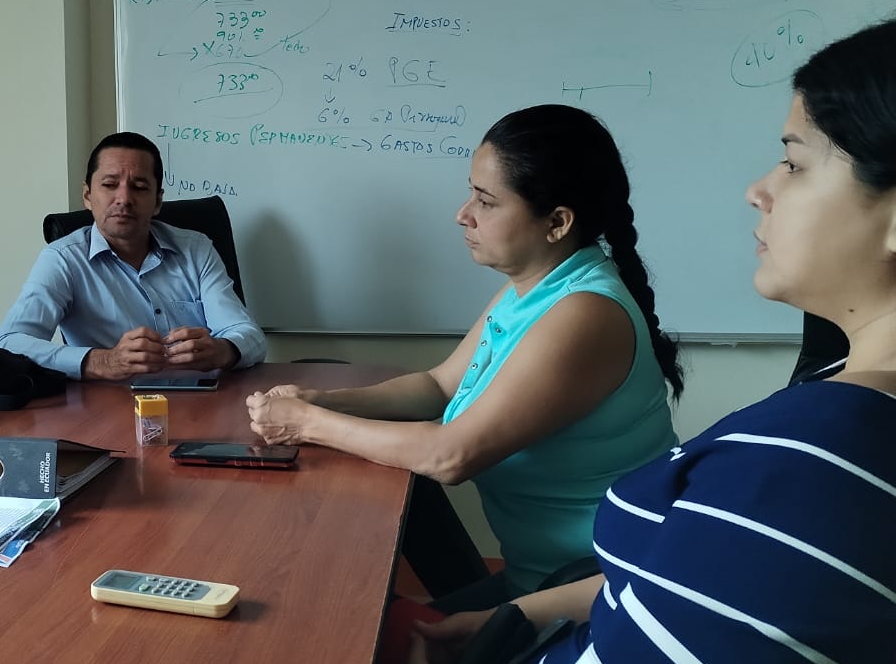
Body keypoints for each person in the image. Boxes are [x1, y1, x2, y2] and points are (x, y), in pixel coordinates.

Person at [342, 18, 896, 664]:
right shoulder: (838, 425)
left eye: (795, 161)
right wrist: (516, 617)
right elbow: (712, 581)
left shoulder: (827, 457)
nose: (759, 188)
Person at [248, 105, 681, 607]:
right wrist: (322, 400)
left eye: (486, 201)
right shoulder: (534, 290)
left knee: (358, 632)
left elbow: (449, 455)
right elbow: (438, 386)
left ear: (557, 223)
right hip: (550, 580)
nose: (463, 214)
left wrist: (306, 423)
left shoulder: (585, 313)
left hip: (606, 594)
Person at [0, 132, 267, 381]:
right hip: (111, 408)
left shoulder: (196, 249)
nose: (124, 198)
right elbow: (8, 344)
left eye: (139, 187)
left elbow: (250, 336)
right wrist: (102, 361)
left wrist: (222, 351)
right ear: (87, 195)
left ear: (157, 201)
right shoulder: (63, 259)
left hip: (204, 403)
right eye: (109, 184)